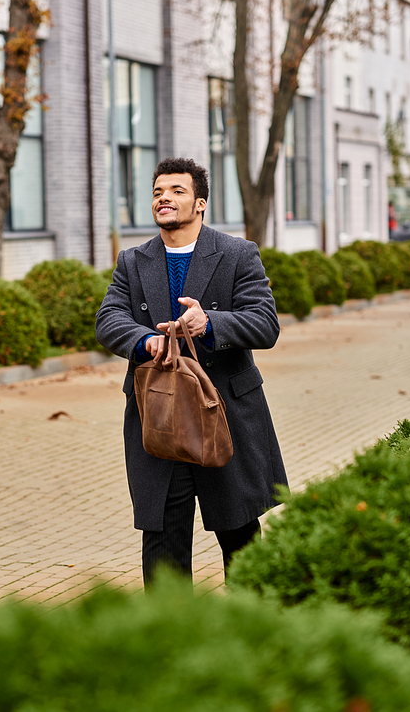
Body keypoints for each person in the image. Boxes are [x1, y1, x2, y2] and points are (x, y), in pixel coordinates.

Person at [95, 157, 288, 585]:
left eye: (177, 191)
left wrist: (210, 323)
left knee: (238, 531)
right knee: (162, 536)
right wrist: (147, 341)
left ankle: (250, 631)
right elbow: (108, 320)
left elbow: (265, 323)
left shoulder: (238, 254)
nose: (164, 197)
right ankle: (171, 640)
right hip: (158, 416)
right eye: (158, 191)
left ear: (200, 203)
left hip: (224, 413)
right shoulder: (132, 260)